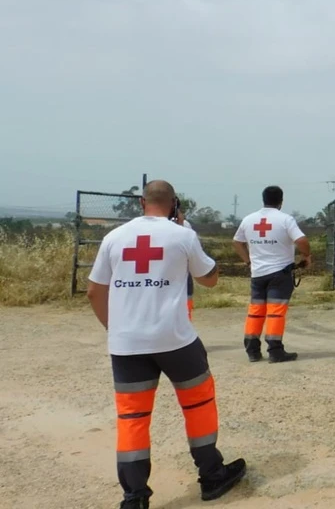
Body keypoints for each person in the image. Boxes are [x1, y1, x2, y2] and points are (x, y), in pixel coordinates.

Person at [86, 180, 246, 509]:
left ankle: (135, 498)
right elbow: (210, 279)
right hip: (175, 340)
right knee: (198, 405)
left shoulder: (114, 238)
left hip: (126, 344)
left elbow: (93, 291)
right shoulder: (182, 235)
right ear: (174, 204)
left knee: (133, 418)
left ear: (142, 202)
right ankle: (212, 476)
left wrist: (114, 329)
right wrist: (186, 234)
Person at [232, 185, 311, 363]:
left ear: (263, 199)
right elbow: (302, 240)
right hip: (279, 274)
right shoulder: (285, 220)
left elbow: (237, 242)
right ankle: (275, 351)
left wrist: (248, 261)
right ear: (281, 201)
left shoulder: (249, 219)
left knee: (255, 312)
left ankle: (252, 350)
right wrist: (306, 256)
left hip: (257, 274)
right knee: (276, 312)